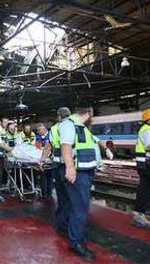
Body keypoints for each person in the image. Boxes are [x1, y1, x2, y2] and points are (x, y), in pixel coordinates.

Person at [59, 105, 97, 260]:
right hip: (77, 173)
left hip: (84, 173)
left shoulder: (81, 127)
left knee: (78, 206)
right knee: (80, 208)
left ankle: (76, 236)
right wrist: (70, 168)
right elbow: (66, 146)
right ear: (87, 114)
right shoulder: (69, 124)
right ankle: (76, 242)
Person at [40, 107, 71, 229]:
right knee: (70, 194)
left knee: (62, 194)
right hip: (72, 165)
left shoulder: (54, 128)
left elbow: (48, 146)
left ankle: (61, 221)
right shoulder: (74, 125)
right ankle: (69, 220)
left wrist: (42, 159)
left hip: (58, 166)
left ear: (59, 116)